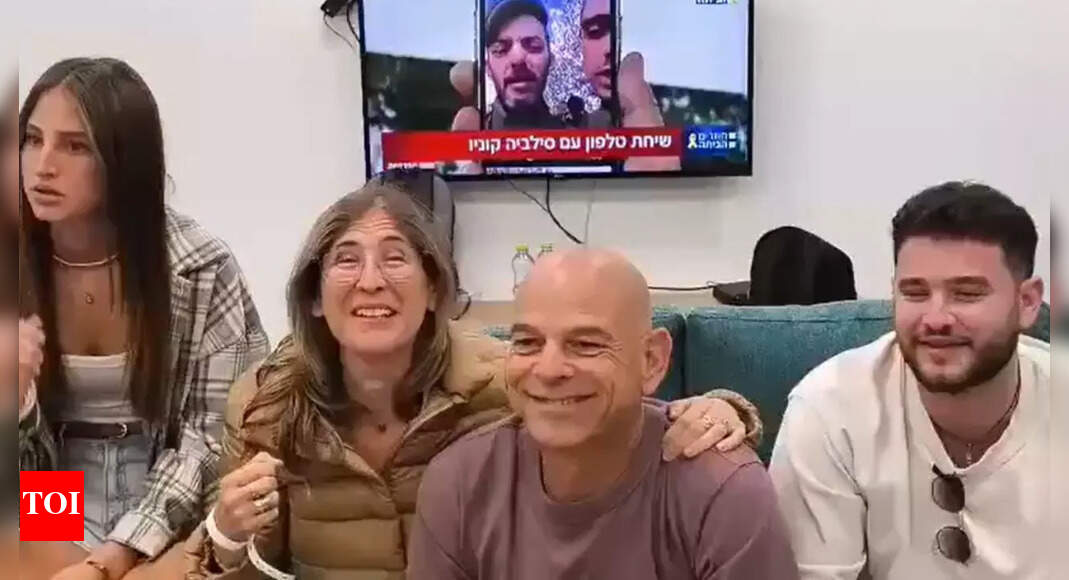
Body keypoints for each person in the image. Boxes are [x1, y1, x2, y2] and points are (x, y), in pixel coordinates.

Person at [182, 182, 762, 579]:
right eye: (346, 260)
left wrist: (723, 411)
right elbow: (248, 565)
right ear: (313, 295)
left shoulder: (501, 377)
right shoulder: (267, 402)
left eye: (395, 257)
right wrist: (225, 540)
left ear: (435, 286)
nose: (370, 281)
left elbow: (614, 410)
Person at [17, 57, 270, 579]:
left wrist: (113, 559)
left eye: (75, 146)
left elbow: (212, 438)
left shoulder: (200, 267)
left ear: (124, 161)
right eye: (32, 140)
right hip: (48, 485)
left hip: (171, 489)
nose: (42, 165)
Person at [408, 248, 799, 579]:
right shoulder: (459, 484)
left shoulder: (725, 493)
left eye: (585, 345)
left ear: (652, 361)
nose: (548, 370)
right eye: (527, 342)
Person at [769, 182, 1059, 578]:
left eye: (966, 293)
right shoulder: (829, 408)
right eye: (915, 293)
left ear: (1026, 302)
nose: (936, 319)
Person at [483, 0, 562, 130]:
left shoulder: (580, 138)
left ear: (551, 60)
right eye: (500, 49)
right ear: (487, 68)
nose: (518, 58)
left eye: (533, 46)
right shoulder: (468, 135)